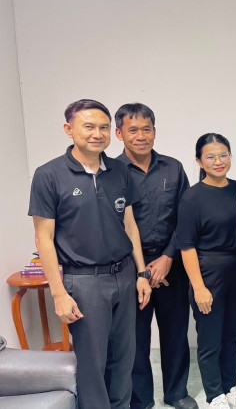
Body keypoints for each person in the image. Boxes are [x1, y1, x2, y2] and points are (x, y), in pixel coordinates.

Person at [28, 99, 152, 408]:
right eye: (89, 127)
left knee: (124, 357)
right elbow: (44, 238)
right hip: (84, 282)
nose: (97, 134)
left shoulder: (120, 171)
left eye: (104, 127)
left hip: (124, 275)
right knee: (93, 363)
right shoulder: (49, 175)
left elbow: (130, 225)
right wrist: (59, 293)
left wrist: (141, 273)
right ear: (69, 129)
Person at [114, 103, 197, 409]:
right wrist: (143, 270)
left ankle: (177, 393)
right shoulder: (111, 172)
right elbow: (115, 223)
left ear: (154, 131)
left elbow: (185, 217)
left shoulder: (173, 167)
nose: (141, 136)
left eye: (146, 129)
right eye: (133, 130)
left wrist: (168, 257)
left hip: (171, 263)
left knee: (175, 332)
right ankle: (140, 400)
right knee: (135, 339)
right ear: (119, 133)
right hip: (130, 268)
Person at [175, 134, 236, 409]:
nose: (218, 161)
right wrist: (199, 287)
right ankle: (214, 396)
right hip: (209, 273)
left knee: (232, 336)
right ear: (199, 161)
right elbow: (186, 247)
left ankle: (230, 388)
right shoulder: (192, 197)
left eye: (223, 155)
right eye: (210, 157)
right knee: (210, 340)